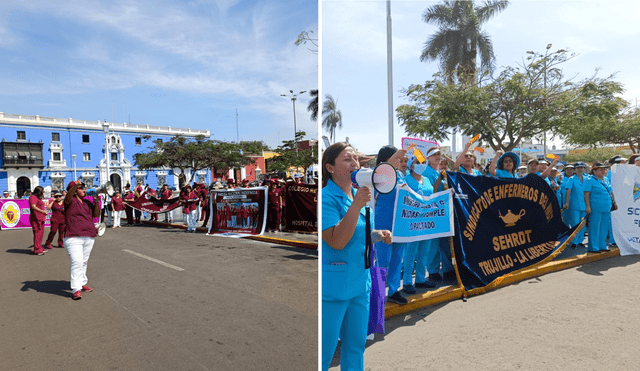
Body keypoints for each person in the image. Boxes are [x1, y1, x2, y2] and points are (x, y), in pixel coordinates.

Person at [321, 142, 392, 371]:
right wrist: (357, 205)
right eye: (346, 159)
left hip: (360, 285)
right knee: (324, 352)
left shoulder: (358, 195)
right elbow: (337, 240)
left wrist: (377, 235)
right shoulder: (326, 199)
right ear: (329, 167)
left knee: (355, 348)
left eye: (355, 159)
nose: (354, 163)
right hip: (335, 288)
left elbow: (357, 235)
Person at [374, 144, 409, 305]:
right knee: (383, 259)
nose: (400, 159)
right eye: (396, 156)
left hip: (399, 222)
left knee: (397, 258)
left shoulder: (400, 175)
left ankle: (394, 291)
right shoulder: (379, 173)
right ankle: (378, 292)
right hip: (383, 221)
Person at [401, 156, 437, 294]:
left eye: (423, 162)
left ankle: (421, 279)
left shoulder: (427, 180)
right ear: (411, 164)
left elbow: (433, 198)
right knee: (410, 252)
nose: (421, 165)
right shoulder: (406, 180)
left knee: (424, 251)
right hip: (412, 221)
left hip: (426, 221)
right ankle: (407, 282)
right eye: (417, 162)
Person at [420, 146, 454, 282]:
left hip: (443, 212)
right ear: (428, 158)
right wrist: (440, 179)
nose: (438, 157)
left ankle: (447, 269)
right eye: (434, 155)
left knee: (445, 242)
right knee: (433, 244)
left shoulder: (440, 171)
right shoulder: (426, 173)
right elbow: (430, 192)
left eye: (439, 154)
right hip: (432, 212)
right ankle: (433, 271)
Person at [64, 178, 100, 300]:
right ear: (74, 190)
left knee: (84, 261)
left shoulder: (87, 202)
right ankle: (76, 288)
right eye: (81, 188)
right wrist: (75, 185)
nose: (84, 189)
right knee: (77, 262)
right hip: (73, 236)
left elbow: (96, 215)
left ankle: (82, 283)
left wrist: (96, 201)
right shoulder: (70, 200)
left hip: (89, 235)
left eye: (84, 187)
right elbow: (67, 197)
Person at [584, 162, 615, 253]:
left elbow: (610, 192)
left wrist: (614, 202)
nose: (603, 171)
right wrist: (588, 206)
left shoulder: (605, 179)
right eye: (600, 169)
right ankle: (593, 247)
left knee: (604, 227)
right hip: (596, 207)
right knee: (594, 227)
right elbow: (586, 194)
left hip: (606, 207)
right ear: (594, 170)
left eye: (604, 169)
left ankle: (602, 246)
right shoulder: (590, 180)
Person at [563, 162, 588, 248]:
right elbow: (568, 191)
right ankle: (574, 241)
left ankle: (580, 240)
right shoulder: (572, 179)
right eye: (578, 168)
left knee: (582, 223)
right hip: (575, 205)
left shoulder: (587, 179)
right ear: (575, 170)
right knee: (575, 223)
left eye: (581, 167)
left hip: (584, 205)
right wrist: (566, 202)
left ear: (584, 169)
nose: (580, 169)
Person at [29, 186, 49, 255]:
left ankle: (40, 247)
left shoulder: (38, 198)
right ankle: (37, 250)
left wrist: (43, 215)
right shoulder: (33, 197)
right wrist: (43, 212)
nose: (43, 192)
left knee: (41, 234)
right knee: (37, 234)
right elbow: (33, 206)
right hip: (35, 218)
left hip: (40, 218)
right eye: (42, 191)